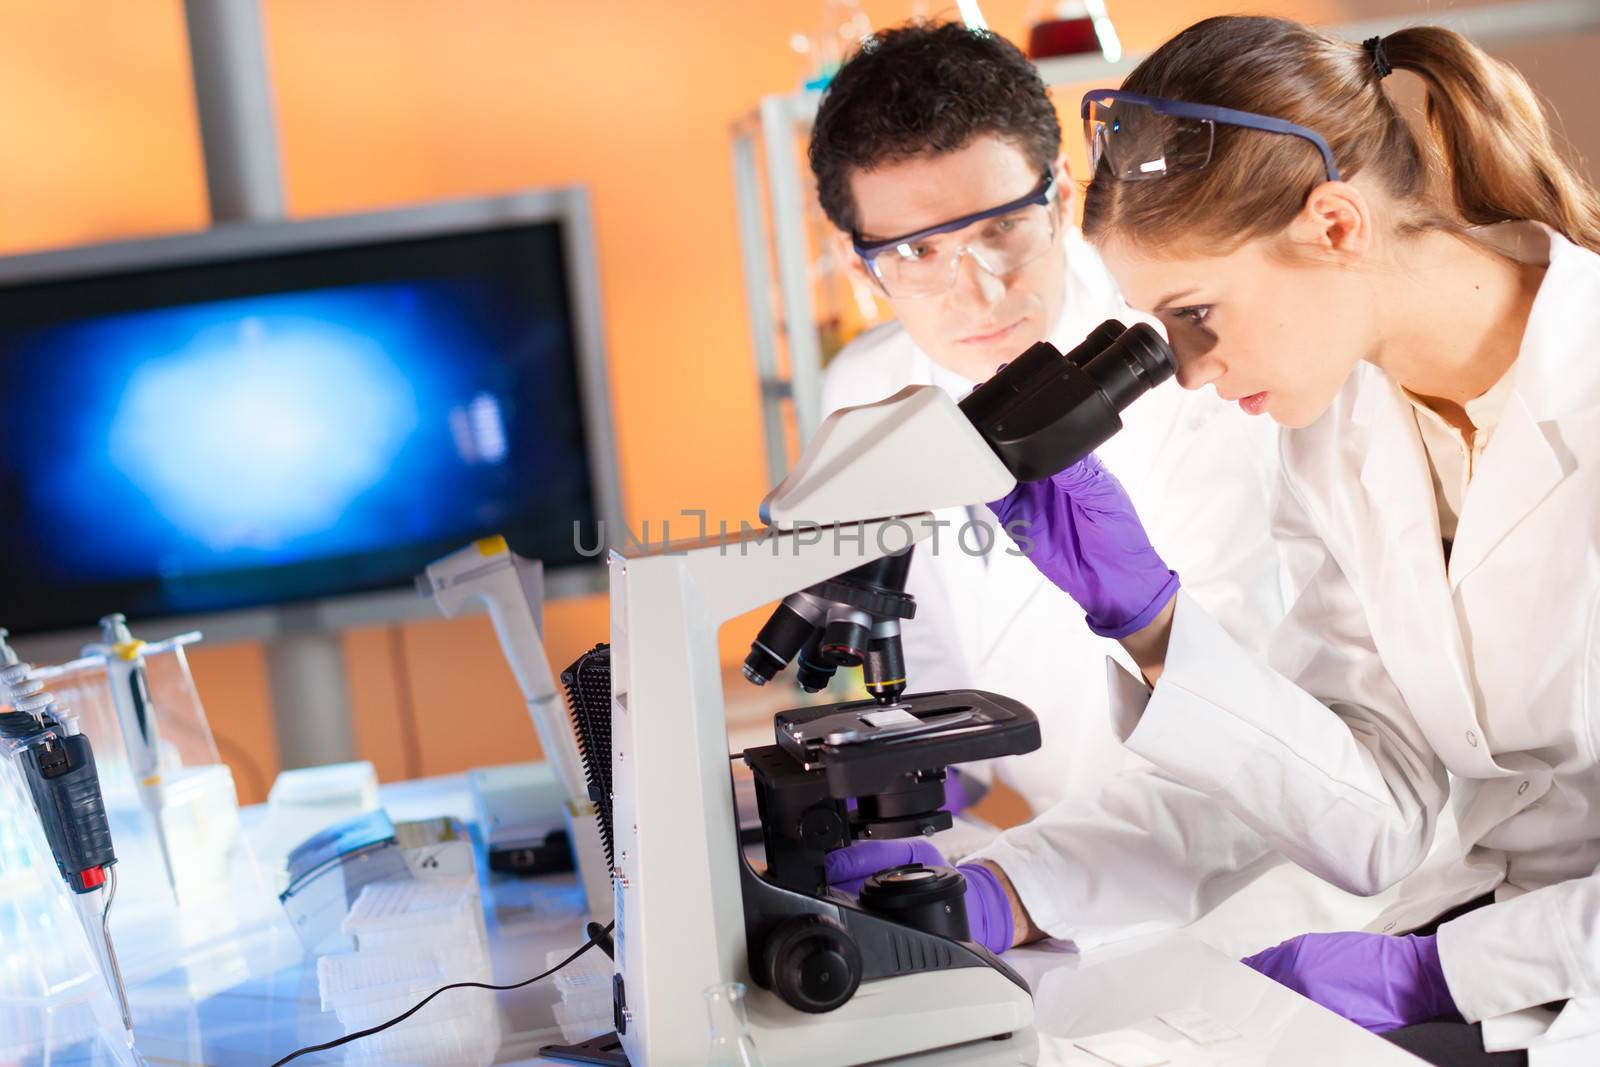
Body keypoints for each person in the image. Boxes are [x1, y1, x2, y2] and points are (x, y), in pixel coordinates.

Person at [834, 15, 1600, 1067]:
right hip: (1510, 977)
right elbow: (1373, 809)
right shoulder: (1341, 429)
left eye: (1195, 312)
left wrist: (1446, 970)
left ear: (1335, 225)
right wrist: (1153, 625)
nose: (1186, 373)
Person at [809, 20, 1282, 814]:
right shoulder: (868, 387)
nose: (981, 291)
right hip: (1051, 867)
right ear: (865, 264)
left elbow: (1256, 718)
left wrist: (1022, 891)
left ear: (1062, 195)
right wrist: (907, 794)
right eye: (918, 253)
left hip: (1255, 873)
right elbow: (914, 636)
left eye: (1001, 229)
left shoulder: (1199, 359)